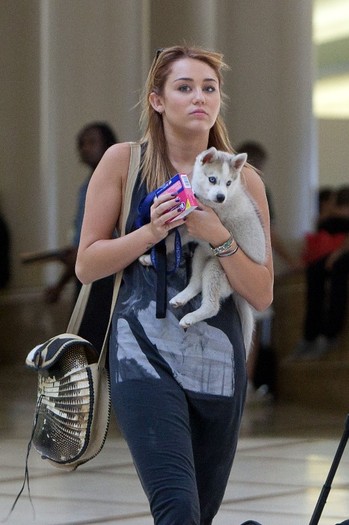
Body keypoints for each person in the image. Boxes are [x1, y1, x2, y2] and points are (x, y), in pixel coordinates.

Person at [76, 45, 273, 525]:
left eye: (209, 88)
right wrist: (150, 231)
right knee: (176, 508)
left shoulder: (246, 182)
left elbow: (263, 293)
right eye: (184, 87)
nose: (199, 97)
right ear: (157, 100)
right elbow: (87, 264)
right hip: (141, 351)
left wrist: (216, 235)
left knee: (199, 514)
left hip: (219, 359)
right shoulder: (124, 163)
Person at [236, 141, 302, 397]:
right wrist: (290, 261)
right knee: (251, 328)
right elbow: (268, 234)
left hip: (231, 261)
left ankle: (240, 384)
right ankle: (246, 384)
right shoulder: (257, 187)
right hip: (250, 264)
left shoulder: (222, 183)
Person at [44, 121, 118, 304]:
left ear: (108, 146)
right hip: (87, 276)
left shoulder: (116, 183)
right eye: (82, 144)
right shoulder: (86, 187)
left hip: (107, 279)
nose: (85, 148)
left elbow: (115, 237)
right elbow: (82, 245)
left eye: (92, 142)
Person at [294, 185, 349, 359]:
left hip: (343, 256)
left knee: (338, 269)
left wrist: (336, 255)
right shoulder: (329, 218)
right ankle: (310, 335)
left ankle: (330, 333)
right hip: (339, 253)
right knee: (315, 270)